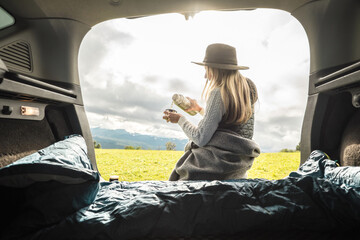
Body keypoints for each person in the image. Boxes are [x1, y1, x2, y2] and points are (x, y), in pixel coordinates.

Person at [163, 43, 260, 181]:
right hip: (236, 170)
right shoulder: (246, 89)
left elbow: (200, 138)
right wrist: (199, 110)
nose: (205, 76)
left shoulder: (218, 92)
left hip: (214, 168)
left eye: (207, 69)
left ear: (216, 69)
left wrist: (180, 119)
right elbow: (229, 124)